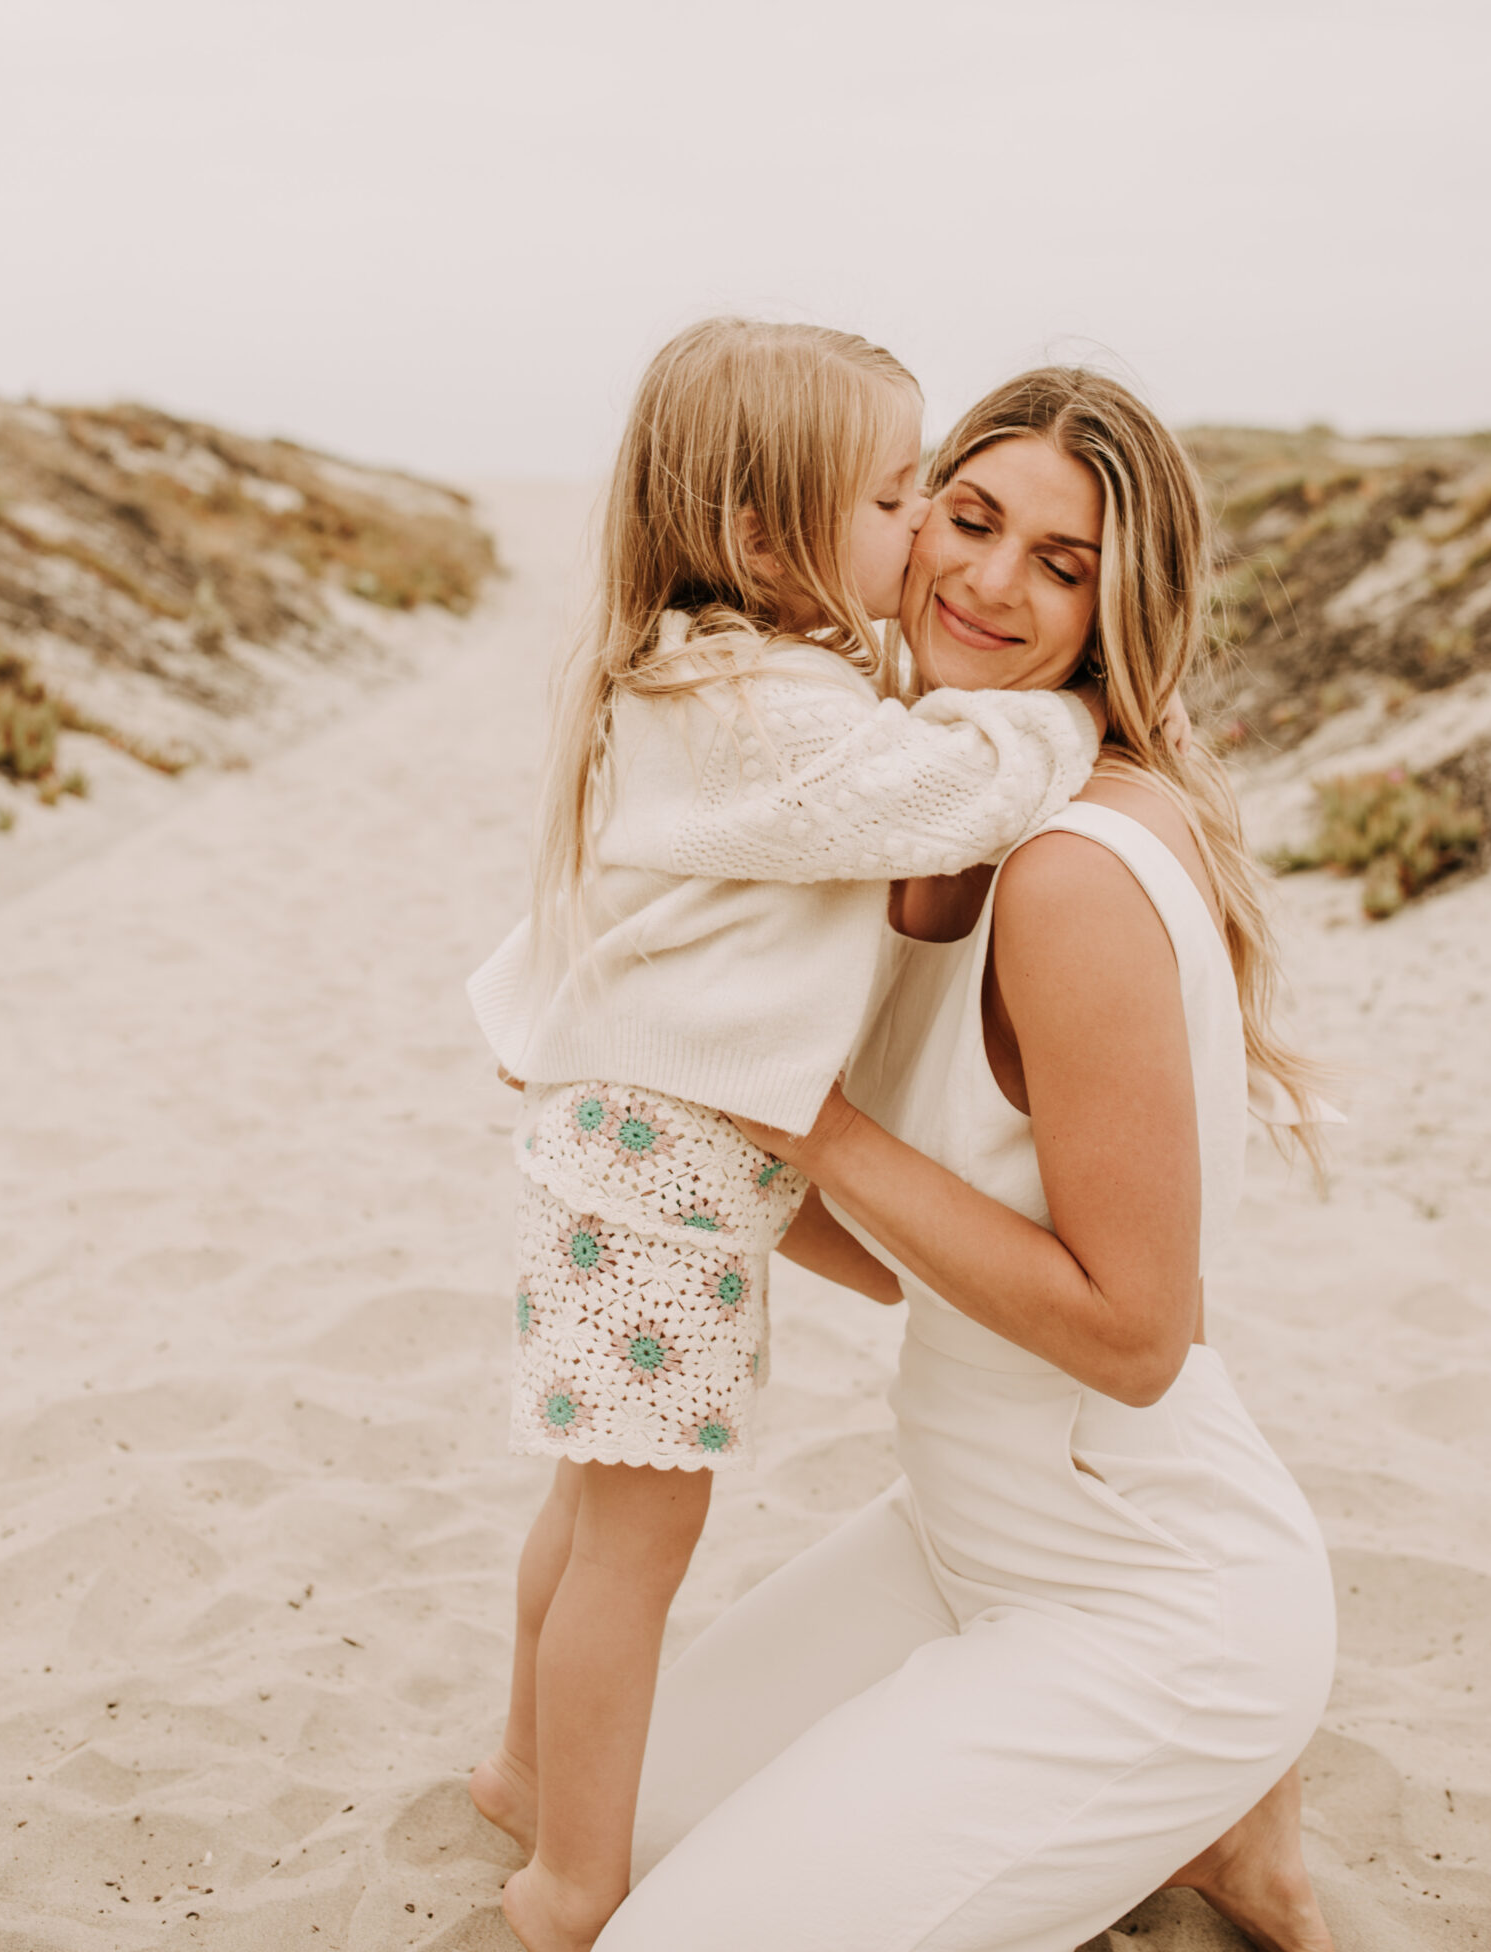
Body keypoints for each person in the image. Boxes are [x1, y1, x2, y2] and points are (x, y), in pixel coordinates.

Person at [604, 366, 1339, 1952]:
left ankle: (1217, 1785)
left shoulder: (1070, 873)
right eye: (973, 518)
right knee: (631, 1817)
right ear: (910, 513)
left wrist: (809, 1118)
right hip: (955, 1533)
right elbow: (889, 1258)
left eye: (1063, 565)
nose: (994, 583)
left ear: (1114, 607)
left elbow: (1141, 1340)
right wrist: (660, 1084)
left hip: (1149, 1598)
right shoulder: (919, 809)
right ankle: (1210, 1834)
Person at [463, 320, 1114, 1952]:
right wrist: (1078, 721)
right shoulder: (765, 717)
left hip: (646, 1166)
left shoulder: (745, 680)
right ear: (766, 541)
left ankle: (524, 1773)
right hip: (661, 1183)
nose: (921, 535)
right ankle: (568, 1880)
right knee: (638, 1531)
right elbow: (952, 797)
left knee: (592, 1504)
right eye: (901, 500)